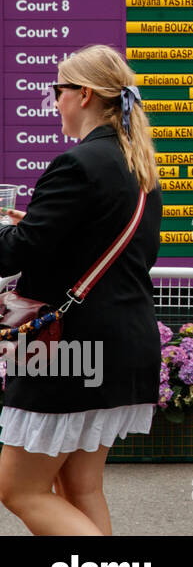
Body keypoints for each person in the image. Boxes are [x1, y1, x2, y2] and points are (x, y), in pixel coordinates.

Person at [0, 45, 163, 535]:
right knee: (81, 487)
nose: (55, 102)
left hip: (67, 344)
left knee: (18, 489)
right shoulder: (138, 166)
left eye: (59, 91)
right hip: (121, 339)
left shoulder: (77, 163)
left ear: (84, 94)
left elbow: (17, 252)